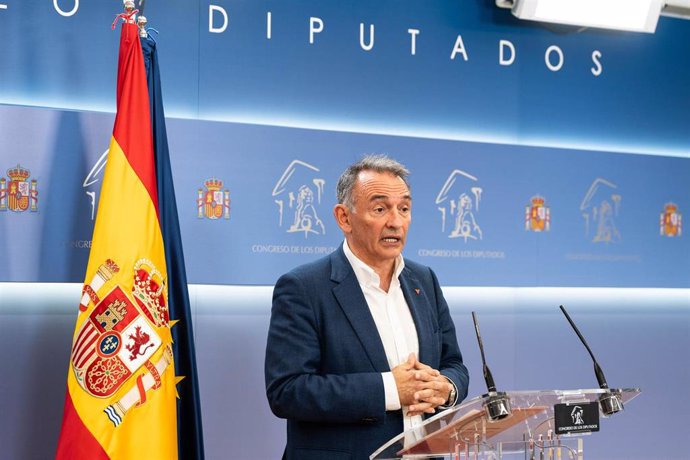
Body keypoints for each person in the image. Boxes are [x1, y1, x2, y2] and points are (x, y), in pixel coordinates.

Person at [265, 155, 470, 459]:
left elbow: (454, 364)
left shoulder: (424, 280)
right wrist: (390, 389)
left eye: (404, 208)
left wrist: (447, 389)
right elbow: (288, 391)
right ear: (344, 218)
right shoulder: (303, 287)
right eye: (380, 209)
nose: (396, 222)